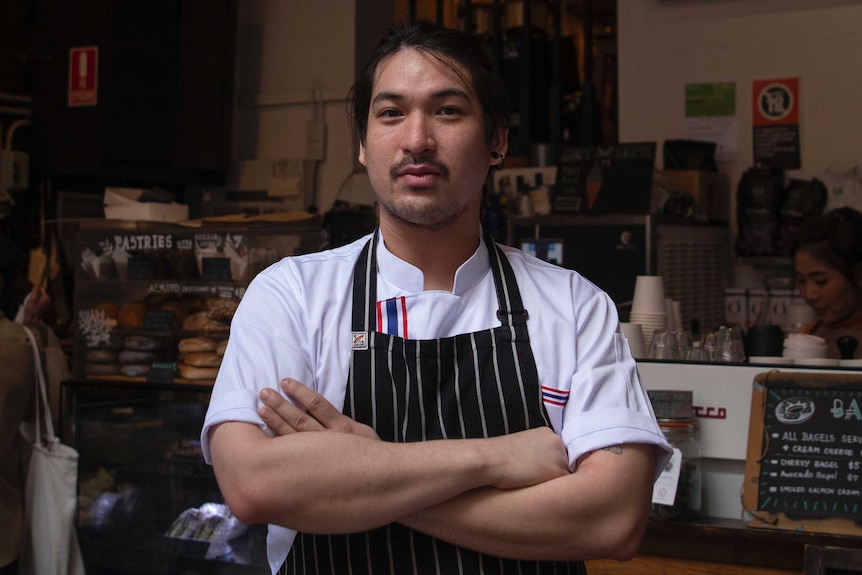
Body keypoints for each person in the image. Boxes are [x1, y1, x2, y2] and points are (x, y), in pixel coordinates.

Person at [202, 20, 672, 574]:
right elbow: (254, 485)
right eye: (391, 113)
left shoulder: (573, 307)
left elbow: (612, 520)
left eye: (448, 110)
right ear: (362, 143)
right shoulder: (292, 295)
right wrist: (496, 456)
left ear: (497, 140)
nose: (417, 139)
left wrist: (360, 471)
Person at [793, 206, 862, 359]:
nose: (810, 295)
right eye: (801, 281)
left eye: (821, 281)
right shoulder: (806, 338)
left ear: (858, 274)